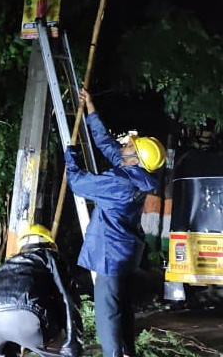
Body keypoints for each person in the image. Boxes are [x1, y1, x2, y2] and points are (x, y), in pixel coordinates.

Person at [64, 89, 166, 357]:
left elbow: (77, 183)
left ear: (135, 159)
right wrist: (91, 109)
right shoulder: (136, 175)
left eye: (131, 146)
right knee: (122, 308)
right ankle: (127, 352)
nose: (126, 144)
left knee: (107, 314)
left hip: (111, 255)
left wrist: (71, 156)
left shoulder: (120, 182)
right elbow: (107, 144)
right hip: (126, 254)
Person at [0, 224, 83, 357]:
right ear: (50, 245)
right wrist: (73, 343)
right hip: (26, 317)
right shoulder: (50, 257)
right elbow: (67, 299)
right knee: (59, 345)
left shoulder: (7, 264)